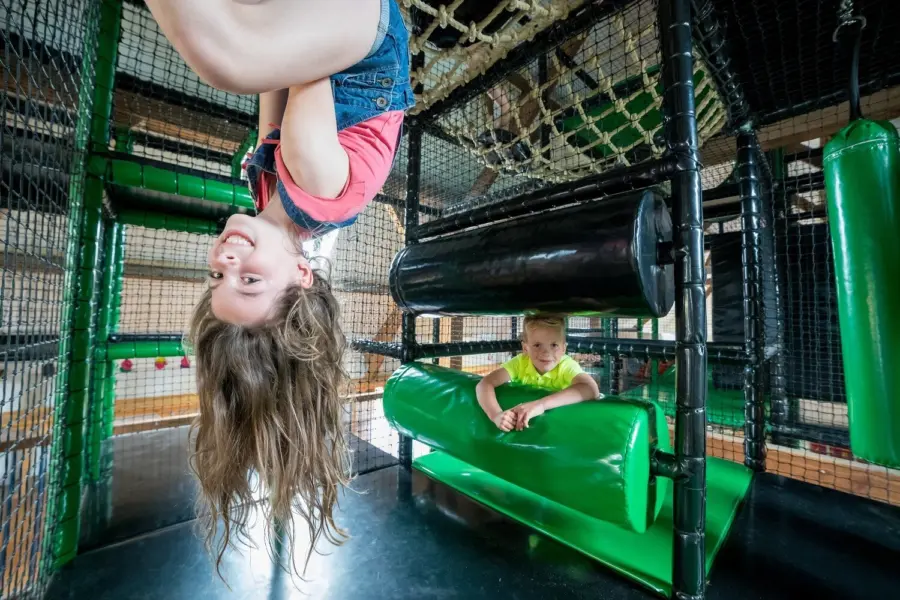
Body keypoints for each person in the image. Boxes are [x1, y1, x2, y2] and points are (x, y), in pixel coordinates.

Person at [143, 0, 415, 577]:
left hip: (334, 44)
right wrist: (252, 37)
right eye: (248, 279)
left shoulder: (268, 190)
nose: (224, 258)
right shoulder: (314, 186)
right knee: (227, 60)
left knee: (238, 52)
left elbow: (274, 91)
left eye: (219, 276)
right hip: (366, 46)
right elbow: (301, 68)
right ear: (301, 274)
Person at [476, 314, 601, 432]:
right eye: (537, 345)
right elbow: (485, 383)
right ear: (526, 348)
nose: (546, 353)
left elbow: (591, 389)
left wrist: (540, 405)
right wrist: (496, 415)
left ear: (564, 348)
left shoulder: (565, 366)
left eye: (554, 345)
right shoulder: (520, 363)